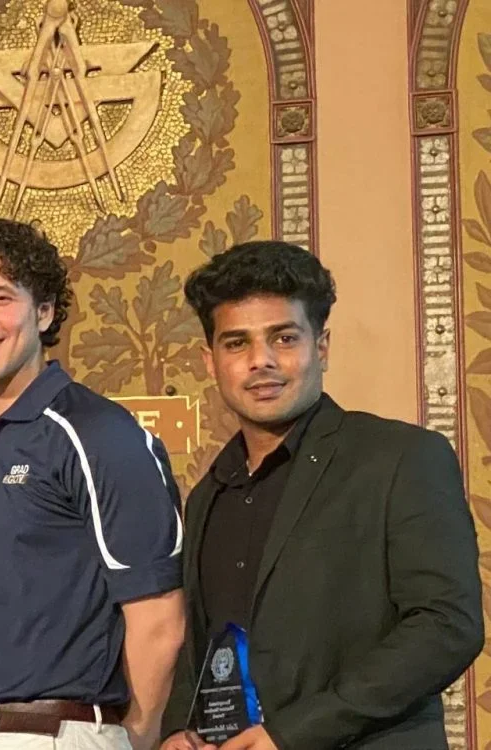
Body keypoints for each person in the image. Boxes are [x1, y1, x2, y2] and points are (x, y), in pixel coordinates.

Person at [156, 242, 482, 750]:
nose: (260, 361)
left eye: (283, 337)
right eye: (236, 343)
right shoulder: (207, 495)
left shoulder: (400, 458)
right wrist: (180, 728)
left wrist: (293, 734)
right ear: (210, 360)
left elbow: (447, 626)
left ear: (322, 345)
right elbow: (200, 643)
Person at [0, 219, 185, 749]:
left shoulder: (97, 433)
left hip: (59, 733)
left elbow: (158, 619)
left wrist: (134, 738)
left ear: (44, 312)